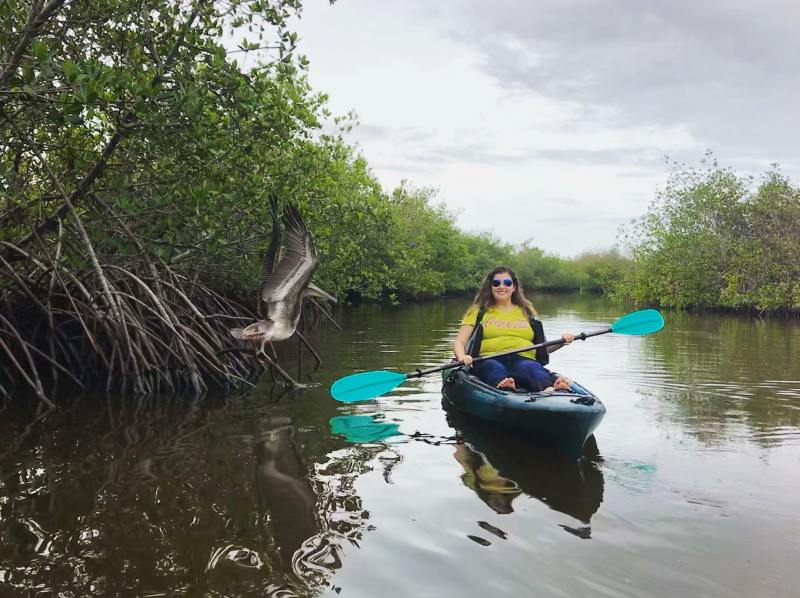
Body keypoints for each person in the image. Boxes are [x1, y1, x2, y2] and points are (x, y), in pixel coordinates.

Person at [452, 266, 574, 392]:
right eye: (496, 283)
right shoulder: (478, 311)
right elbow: (459, 342)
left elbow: (542, 348)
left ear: (514, 287)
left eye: (507, 283)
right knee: (494, 368)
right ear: (490, 287)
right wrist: (462, 357)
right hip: (488, 359)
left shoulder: (527, 312)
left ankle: (550, 389)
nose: (501, 286)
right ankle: (503, 387)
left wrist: (562, 341)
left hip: (523, 359)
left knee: (532, 368)